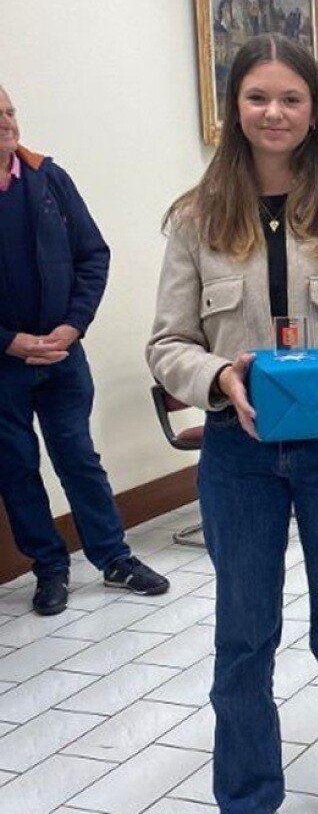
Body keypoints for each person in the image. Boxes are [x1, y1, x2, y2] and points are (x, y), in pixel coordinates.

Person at [147, 34, 318, 814]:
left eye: (291, 99)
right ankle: (248, 796)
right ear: (235, 108)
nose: (274, 112)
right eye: (258, 97)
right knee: (244, 640)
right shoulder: (195, 219)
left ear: (314, 111)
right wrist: (219, 378)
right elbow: (167, 343)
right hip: (239, 456)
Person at [0, 83, 169, 616]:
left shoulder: (49, 178)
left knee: (78, 456)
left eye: (10, 110)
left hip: (63, 354)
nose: (7, 121)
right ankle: (49, 568)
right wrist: (10, 342)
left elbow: (93, 255)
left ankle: (114, 558)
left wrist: (73, 327)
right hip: (3, 364)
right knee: (16, 467)